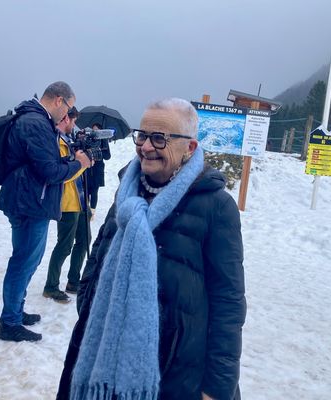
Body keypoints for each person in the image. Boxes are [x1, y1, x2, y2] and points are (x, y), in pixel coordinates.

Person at [57, 98, 246, 399]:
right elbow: (99, 257)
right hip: (101, 355)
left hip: (176, 371)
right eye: (142, 135)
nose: (145, 147)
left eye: (160, 139)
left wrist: (218, 387)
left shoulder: (216, 207)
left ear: (190, 148)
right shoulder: (128, 192)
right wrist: (89, 303)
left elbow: (228, 302)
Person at [0, 82, 92, 342]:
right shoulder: (37, 124)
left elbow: (44, 163)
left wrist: (70, 161)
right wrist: (79, 164)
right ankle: (10, 322)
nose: (68, 114)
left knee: (27, 259)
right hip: (29, 203)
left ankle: (15, 309)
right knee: (24, 261)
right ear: (59, 100)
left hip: (27, 200)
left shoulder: (34, 120)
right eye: (69, 107)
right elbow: (50, 172)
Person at [43, 107, 91, 303]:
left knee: (84, 241)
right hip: (67, 203)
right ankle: (51, 286)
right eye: (73, 121)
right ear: (66, 119)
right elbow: (62, 175)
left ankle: (74, 280)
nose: (74, 125)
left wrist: (85, 161)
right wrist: (83, 164)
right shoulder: (56, 142)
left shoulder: (68, 140)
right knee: (64, 245)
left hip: (79, 200)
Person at [85, 123, 111, 218]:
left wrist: (100, 151)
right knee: (86, 190)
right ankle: (86, 211)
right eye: (93, 130)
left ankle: (92, 212)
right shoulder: (89, 140)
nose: (95, 132)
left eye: (97, 130)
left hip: (98, 169)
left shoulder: (104, 141)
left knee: (95, 190)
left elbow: (108, 156)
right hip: (88, 168)